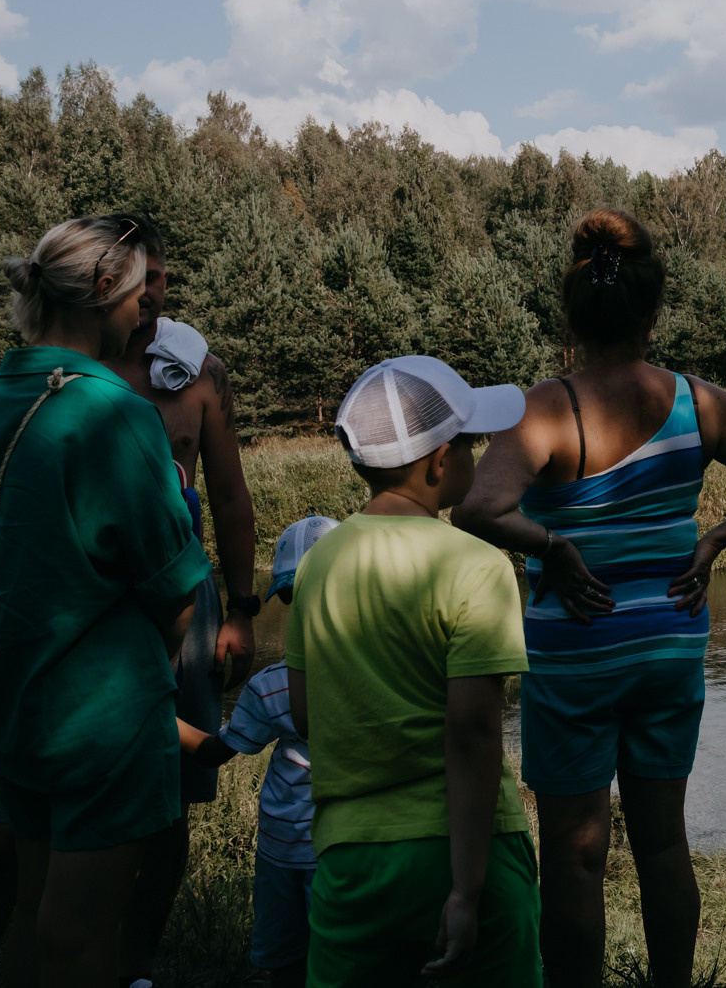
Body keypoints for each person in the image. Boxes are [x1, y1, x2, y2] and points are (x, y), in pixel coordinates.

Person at [454, 208, 726, 988]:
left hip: (578, 648)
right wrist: (716, 538)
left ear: (572, 314)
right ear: (654, 309)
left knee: (574, 853)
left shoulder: (547, 406)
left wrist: (553, 546)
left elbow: (478, 508)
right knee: (663, 842)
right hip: (670, 642)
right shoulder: (700, 401)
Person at [0, 214, 208, 988]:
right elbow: (175, 587)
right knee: (81, 935)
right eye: (140, 300)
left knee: (29, 906)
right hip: (105, 712)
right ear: (101, 290)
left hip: (12, 688)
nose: (147, 316)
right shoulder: (118, 414)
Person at [287, 356, 539, 986]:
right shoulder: (476, 564)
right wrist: (468, 891)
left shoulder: (317, 565)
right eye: (471, 445)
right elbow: (474, 735)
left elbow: (304, 714)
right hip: (465, 852)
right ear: (436, 461)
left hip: (351, 859)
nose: (477, 457)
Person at [97, 221, 261, 988]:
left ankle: (136, 963)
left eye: (162, 275)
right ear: (105, 283)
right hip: (94, 604)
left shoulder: (200, 375)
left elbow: (230, 497)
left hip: (186, 599)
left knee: (171, 794)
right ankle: (77, 944)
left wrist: (242, 608)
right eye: (142, 277)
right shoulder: (76, 367)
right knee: (91, 776)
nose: (156, 290)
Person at [177, 515, 338, 988]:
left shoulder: (273, 686)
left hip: (281, 851)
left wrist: (154, 716)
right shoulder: (377, 673)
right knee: (339, 957)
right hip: (343, 846)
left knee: (284, 960)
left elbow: (212, 752)